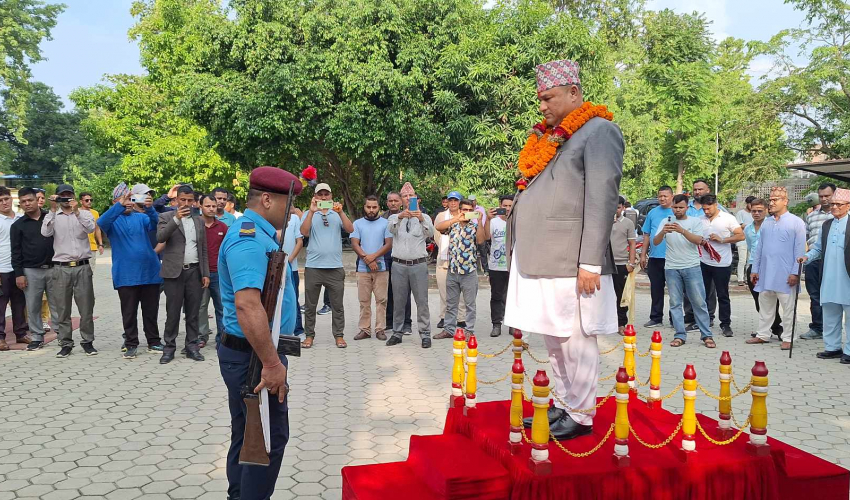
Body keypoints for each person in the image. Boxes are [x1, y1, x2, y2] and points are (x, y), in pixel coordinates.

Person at [506, 59, 623, 441]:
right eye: (540, 99)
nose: (542, 106)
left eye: (548, 98)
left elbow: (601, 199)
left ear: (574, 93)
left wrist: (590, 261)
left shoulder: (598, 131)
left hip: (573, 261)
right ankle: (562, 402)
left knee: (575, 338)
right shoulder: (553, 136)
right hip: (542, 259)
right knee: (554, 338)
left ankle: (582, 414)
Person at [217, 166, 299, 500]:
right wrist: (271, 363)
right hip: (254, 357)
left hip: (253, 353)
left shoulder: (259, 234)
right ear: (266, 199)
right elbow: (248, 306)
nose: (293, 211)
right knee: (265, 441)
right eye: (288, 203)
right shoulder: (248, 238)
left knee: (249, 434)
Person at [97, 183, 164, 359]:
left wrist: (149, 209)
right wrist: (119, 205)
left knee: (151, 311)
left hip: (150, 272)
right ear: (115, 201)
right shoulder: (112, 221)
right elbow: (101, 222)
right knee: (129, 312)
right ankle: (131, 343)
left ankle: (154, 341)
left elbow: (157, 224)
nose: (128, 203)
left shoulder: (140, 217)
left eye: (130, 199)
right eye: (124, 199)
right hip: (126, 275)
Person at [747, 186, 807, 350]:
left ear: (785, 201)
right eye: (770, 200)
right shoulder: (767, 223)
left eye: (775, 200)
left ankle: (788, 337)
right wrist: (755, 269)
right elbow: (759, 248)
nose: (771, 203)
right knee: (765, 305)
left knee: (788, 308)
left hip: (786, 274)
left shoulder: (796, 222)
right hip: (766, 273)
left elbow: (800, 250)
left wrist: (795, 272)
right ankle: (763, 334)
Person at [42, 184, 97, 358]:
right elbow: (45, 232)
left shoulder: (85, 213)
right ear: (57, 198)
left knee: (86, 307)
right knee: (63, 309)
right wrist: (52, 209)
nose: (66, 199)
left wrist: (77, 212)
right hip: (61, 267)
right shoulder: (53, 216)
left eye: (69, 195)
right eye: (62, 196)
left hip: (82, 266)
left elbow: (90, 228)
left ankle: (87, 342)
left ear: (74, 196)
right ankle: (65, 343)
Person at [157, 185, 210, 363]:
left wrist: (206, 273)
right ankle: (169, 347)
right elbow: (161, 237)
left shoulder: (199, 221)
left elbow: (203, 248)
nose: (186, 203)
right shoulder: (165, 216)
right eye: (183, 200)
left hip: (194, 271)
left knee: (193, 312)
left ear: (194, 202)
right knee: (172, 312)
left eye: (189, 200)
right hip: (174, 272)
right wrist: (176, 220)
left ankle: (192, 346)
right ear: (176, 200)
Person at [653, 194, 713, 347]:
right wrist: (663, 232)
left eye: (681, 207)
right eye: (675, 207)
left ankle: (706, 335)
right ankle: (679, 335)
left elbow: (699, 241)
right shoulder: (665, 221)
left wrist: (682, 231)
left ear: (687, 207)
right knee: (675, 303)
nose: (678, 210)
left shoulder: (694, 221)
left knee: (699, 302)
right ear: (671, 207)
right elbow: (655, 241)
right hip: (672, 268)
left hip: (692, 266)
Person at [299, 183, 354, 349]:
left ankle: (339, 336)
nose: (323, 197)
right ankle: (309, 336)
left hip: (335, 267)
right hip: (313, 267)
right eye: (320, 194)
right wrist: (311, 211)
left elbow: (350, 229)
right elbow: (304, 232)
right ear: (315, 196)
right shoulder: (309, 213)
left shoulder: (336, 213)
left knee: (337, 305)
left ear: (331, 196)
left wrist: (341, 211)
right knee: (310, 306)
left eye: (326, 194)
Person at [800, 188, 850, 362]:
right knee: (830, 313)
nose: (834, 206)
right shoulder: (827, 224)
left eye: (838, 204)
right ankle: (832, 347)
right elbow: (819, 248)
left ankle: (849, 352)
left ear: (848, 206)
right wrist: (806, 257)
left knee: (849, 315)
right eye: (833, 203)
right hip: (829, 275)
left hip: (847, 276)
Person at [385, 183, 434, 348]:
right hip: (398, 265)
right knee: (398, 301)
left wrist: (420, 219)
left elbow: (431, 234)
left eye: (410, 196)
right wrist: (400, 217)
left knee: (422, 301)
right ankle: (397, 333)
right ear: (400, 200)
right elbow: (391, 230)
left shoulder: (425, 217)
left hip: (418, 265)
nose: (407, 199)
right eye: (404, 196)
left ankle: (425, 334)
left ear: (416, 199)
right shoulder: (394, 217)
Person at [434, 198, 485, 339]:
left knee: (470, 305)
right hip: (453, 271)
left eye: (470, 210)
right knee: (451, 304)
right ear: (460, 210)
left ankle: (469, 331)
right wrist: (456, 218)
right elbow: (439, 227)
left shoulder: (474, 227)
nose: (467, 213)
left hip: (469, 272)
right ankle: (449, 330)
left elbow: (481, 240)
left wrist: (479, 222)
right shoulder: (453, 225)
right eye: (465, 210)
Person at [11, 188, 54, 351]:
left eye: (30, 200)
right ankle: (37, 337)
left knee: (58, 304)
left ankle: (63, 335)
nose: (27, 203)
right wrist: (19, 274)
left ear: (37, 200)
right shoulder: (18, 225)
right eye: (23, 201)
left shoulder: (50, 217)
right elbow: (15, 251)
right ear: (20, 204)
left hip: (54, 268)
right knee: (33, 305)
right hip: (30, 270)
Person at [698, 194, 743, 337]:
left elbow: (740, 235)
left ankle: (725, 324)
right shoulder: (700, 220)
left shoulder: (728, 218)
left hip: (722, 263)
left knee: (722, 295)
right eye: (704, 209)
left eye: (708, 208)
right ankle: (705, 321)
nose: (706, 212)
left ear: (716, 204)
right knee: (703, 294)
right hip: (704, 262)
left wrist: (723, 240)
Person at [351, 195, 393, 341]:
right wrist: (367, 260)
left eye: (374, 207)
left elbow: (388, 244)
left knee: (382, 300)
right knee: (364, 301)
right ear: (364, 207)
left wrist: (373, 257)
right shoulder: (357, 224)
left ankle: (380, 329)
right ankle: (365, 329)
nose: (371, 210)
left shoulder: (385, 223)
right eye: (368, 207)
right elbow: (355, 243)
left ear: (378, 208)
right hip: (362, 269)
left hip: (382, 268)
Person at [800, 183, 836, 341]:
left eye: (827, 195)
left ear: (834, 195)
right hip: (814, 261)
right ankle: (816, 327)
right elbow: (806, 239)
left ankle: (831, 330)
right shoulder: (812, 216)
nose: (824, 199)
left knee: (832, 297)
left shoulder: (841, 216)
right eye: (821, 196)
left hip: (834, 262)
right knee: (815, 296)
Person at [743, 199, 782, 337]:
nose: (757, 213)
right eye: (754, 211)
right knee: (758, 299)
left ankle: (777, 328)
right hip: (753, 265)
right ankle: (768, 329)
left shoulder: (773, 225)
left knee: (771, 298)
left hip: (770, 266)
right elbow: (750, 247)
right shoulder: (748, 229)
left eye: (760, 210)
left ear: (766, 210)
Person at [640, 186, 674, 327]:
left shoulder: (677, 211)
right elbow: (646, 235)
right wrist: (643, 255)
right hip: (655, 257)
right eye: (660, 196)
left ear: (672, 196)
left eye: (665, 196)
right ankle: (656, 317)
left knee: (675, 290)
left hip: (673, 257)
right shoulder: (653, 213)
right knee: (656, 288)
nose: (662, 199)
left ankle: (675, 319)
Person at [434, 190, 468, 330]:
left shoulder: (465, 216)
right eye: (450, 200)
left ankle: (461, 318)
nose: (453, 203)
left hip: (460, 259)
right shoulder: (441, 216)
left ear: (460, 202)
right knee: (443, 290)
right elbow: (437, 235)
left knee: (460, 292)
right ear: (447, 202)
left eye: (456, 200)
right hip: (444, 259)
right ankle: (444, 316)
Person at [0, 187, 28, 351]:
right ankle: (1, 338)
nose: (4, 202)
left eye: (6, 199)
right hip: (1, 269)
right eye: (0, 200)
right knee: (1, 305)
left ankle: (21, 333)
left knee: (19, 303)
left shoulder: (20, 218)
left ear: (11, 199)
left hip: (18, 269)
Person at [199, 194, 228, 348]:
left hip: (219, 274)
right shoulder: (196, 225)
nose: (211, 209)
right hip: (200, 273)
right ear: (200, 206)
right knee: (201, 307)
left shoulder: (223, 227)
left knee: (221, 307)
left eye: (213, 206)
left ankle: (222, 338)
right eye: (207, 206)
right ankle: (201, 337)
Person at [382, 191, 412, 333]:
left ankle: (406, 323)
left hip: (403, 259)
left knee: (404, 293)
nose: (393, 203)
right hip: (386, 258)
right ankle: (389, 321)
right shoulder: (382, 218)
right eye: (390, 201)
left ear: (401, 202)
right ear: (387, 203)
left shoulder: (409, 216)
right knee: (388, 292)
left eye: (396, 200)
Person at [484, 195, 513, 337]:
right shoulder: (494, 221)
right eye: (505, 205)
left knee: (512, 296)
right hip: (496, 265)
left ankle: (513, 324)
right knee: (496, 295)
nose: (507, 208)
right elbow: (486, 237)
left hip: (513, 265)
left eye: (510, 206)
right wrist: (487, 219)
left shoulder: (516, 221)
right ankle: (496, 324)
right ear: (499, 205)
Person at [610, 196, 637, 335]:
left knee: (621, 295)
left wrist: (631, 263)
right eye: (612, 207)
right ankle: (606, 322)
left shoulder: (628, 223)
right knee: (604, 294)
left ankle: (621, 323)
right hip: (605, 264)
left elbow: (632, 243)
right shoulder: (603, 222)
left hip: (621, 263)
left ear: (623, 207)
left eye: (618, 207)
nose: (615, 210)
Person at [282, 206, 304, 338]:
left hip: (291, 267)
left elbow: (299, 241)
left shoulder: (295, 218)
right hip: (272, 266)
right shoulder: (270, 219)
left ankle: (298, 330)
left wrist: (289, 260)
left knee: (293, 299)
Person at [34, 188, 52, 334]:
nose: (40, 200)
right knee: (34, 297)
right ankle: (32, 321)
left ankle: (45, 320)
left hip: (50, 261)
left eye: (42, 197)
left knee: (47, 297)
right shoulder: (24, 219)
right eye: (37, 197)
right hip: (32, 264)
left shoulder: (49, 216)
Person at [79, 192, 104, 268]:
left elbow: (97, 229)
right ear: (81, 201)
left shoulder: (95, 213)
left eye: (91, 200)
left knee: (90, 271)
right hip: (79, 247)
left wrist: (100, 244)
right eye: (87, 200)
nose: (89, 202)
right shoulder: (76, 212)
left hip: (91, 247)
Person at [735, 196, 755, 285]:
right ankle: (740, 278)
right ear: (747, 204)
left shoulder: (755, 213)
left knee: (749, 260)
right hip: (742, 240)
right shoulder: (741, 213)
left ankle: (748, 277)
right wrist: (751, 226)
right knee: (742, 260)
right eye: (751, 204)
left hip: (752, 240)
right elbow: (740, 225)